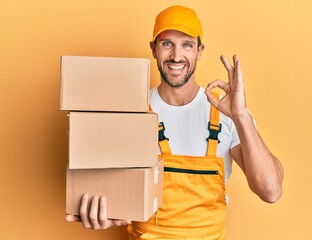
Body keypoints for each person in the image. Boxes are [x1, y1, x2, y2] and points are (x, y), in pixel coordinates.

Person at [66, 5, 284, 239]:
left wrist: (241, 116)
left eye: (187, 45)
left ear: (200, 51)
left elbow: (270, 190)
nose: (176, 56)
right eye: (167, 43)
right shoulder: (131, 113)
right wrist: (104, 212)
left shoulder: (229, 114)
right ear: (153, 49)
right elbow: (109, 189)